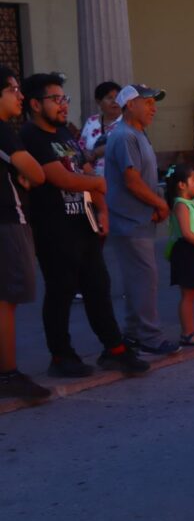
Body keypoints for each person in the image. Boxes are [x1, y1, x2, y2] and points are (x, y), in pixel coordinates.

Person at [19, 72, 148, 377]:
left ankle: (114, 348)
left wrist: (102, 211)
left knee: (98, 287)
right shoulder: (31, 136)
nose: (63, 105)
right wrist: (100, 184)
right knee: (61, 291)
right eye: (56, 99)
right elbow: (59, 177)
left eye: (65, 98)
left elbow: (85, 170)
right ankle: (61, 355)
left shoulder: (64, 134)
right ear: (36, 104)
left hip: (84, 223)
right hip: (53, 228)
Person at [105, 83, 180, 356]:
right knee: (144, 278)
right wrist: (161, 203)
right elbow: (132, 181)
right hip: (130, 220)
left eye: (154, 102)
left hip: (138, 220)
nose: (154, 108)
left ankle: (135, 332)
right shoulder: (125, 136)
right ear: (130, 105)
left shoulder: (137, 134)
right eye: (147, 102)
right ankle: (149, 336)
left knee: (139, 279)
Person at [0, 67, 50, 399]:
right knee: (7, 300)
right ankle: (8, 374)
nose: (20, 96)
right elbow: (36, 172)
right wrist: (30, 176)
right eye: (13, 90)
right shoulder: (3, 132)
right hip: (7, 221)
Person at [164, 164, 194, 346]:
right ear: (181, 185)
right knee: (187, 295)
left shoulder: (190, 204)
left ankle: (191, 330)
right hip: (186, 251)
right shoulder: (181, 206)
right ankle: (187, 332)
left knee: (190, 295)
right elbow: (186, 232)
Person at [79, 81, 122, 176]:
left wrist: (104, 150)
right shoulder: (91, 121)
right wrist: (85, 154)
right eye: (109, 98)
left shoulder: (127, 122)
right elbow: (81, 147)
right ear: (98, 101)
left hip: (119, 180)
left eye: (117, 97)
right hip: (92, 179)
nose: (114, 101)